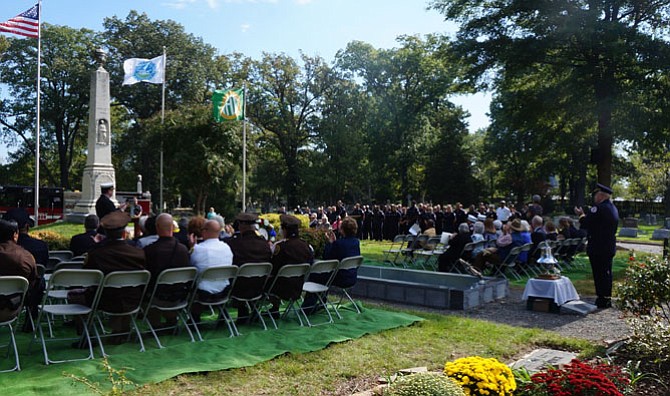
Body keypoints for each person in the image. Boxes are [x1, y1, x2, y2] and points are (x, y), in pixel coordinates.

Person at [83, 211, 145, 340]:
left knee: (74, 296)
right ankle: (122, 329)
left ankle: (86, 337)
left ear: (104, 234)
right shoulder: (139, 253)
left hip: (104, 301)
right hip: (134, 300)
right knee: (124, 292)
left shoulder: (97, 253)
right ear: (124, 233)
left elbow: (87, 277)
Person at [574, 183, 619, 309]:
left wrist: (581, 215)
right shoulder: (613, 208)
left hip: (598, 246)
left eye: (596, 195)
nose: (594, 198)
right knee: (607, 273)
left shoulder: (598, 208)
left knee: (599, 274)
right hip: (608, 245)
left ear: (600, 196)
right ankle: (606, 297)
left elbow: (586, 223)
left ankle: (602, 298)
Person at [143, 213, 191, 328]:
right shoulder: (183, 249)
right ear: (173, 228)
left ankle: (156, 324)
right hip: (180, 296)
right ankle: (171, 320)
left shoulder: (150, 250)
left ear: (157, 227)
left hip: (157, 297)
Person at [225, 213, 273, 323]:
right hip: (260, 286)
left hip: (239, 288)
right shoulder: (264, 244)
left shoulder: (234, 243)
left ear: (241, 226)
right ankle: (253, 309)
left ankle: (242, 311)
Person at [0, 219, 43, 328]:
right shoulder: (27, 257)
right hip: (12, 308)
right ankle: (31, 318)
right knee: (40, 282)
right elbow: (34, 283)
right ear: (15, 234)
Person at [189, 219, 234, 321]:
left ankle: (194, 318)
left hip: (203, 293)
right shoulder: (227, 247)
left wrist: (191, 248)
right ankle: (222, 313)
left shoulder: (198, 249)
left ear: (204, 231)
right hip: (224, 290)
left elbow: (191, 267)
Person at [271, 214, 314, 316]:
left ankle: (274, 308)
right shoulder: (306, 246)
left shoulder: (280, 247)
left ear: (285, 230)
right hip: (298, 286)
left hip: (279, 288)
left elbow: (274, 268)